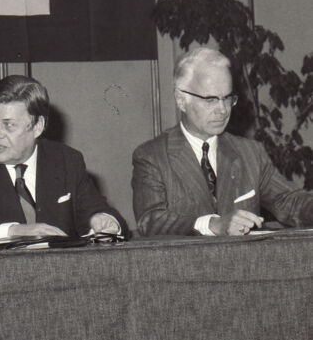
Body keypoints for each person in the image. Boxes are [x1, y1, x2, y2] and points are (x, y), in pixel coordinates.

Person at [132, 47, 313, 236]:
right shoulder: (151, 156)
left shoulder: (251, 153)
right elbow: (151, 221)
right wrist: (212, 224)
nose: (223, 110)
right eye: (210, 99)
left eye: (227, 98)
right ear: (181, 100)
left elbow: (289, 201)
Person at [0, 75, 127, 250]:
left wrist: (103, 220)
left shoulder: (67, 160)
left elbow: (98, 210)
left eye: (8, 125)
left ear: (38, 127)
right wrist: (14, 232)